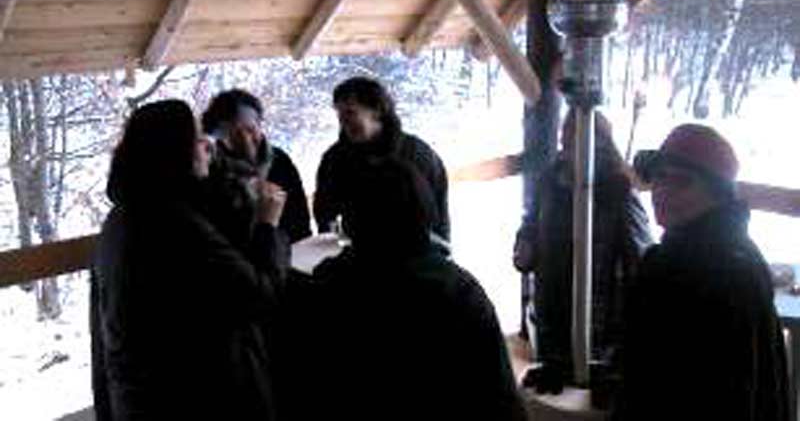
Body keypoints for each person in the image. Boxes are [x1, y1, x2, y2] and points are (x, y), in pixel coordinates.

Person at [90, 99, 286, 421]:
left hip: (142, 397)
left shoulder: (122, 218)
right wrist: (268, 225)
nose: (207, 144)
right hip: (194, 396)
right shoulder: (172, 226)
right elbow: (259, 296)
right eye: (196, 137)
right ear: (173, 152)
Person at [308, 158, 526, 421]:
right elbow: (500, 399)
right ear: (424, 212)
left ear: (352, 219)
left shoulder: (328, 285)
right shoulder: (459, 291)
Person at [619, 124, 789, 420]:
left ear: (717, 195)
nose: (662, 191)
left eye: (681, 182)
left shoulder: (701, 268)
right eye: (660, 176)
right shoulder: (737, 252)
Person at [514, 110, 651, 394]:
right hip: (552, 306)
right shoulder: (550, 181)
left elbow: (640, 258)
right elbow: (531, 222)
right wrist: (525, 245)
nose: (566, 145)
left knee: (588, 390)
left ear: (596, 143)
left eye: (574, 138)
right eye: (565, 137)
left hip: (599, 317)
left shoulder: (618, 190)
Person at [314, 76, 450, 241]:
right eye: (339, 115)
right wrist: (332, 245)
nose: (343, 121)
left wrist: (440, 251)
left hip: (412, 250)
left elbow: (440, 217)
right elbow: (324, 213)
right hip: (360, 250)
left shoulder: (418, 154)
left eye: (350, 113)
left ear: (377, 110)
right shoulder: (335, 159)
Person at [202, 89, 311, 249]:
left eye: (251, 129)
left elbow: (300, 220)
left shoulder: (279, 161)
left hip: (289, 253)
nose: (246, 140)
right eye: (236, 133)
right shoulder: (209, 170)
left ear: (260, 124)